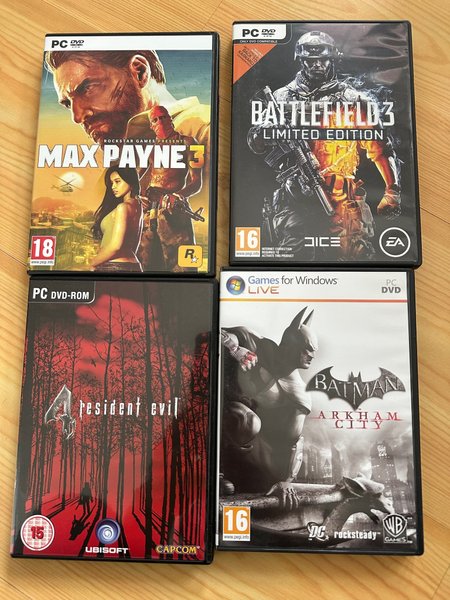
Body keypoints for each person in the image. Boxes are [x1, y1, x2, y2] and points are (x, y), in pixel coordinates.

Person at [248, 31, 401, 259]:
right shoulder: (280, 98)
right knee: (290, 259)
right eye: (310, 61)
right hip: (294, 195)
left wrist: (392, 191)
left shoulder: (353, 100)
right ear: (301, 60)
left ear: (332, 59)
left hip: (341, 198)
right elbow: (256, 144)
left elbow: (380, 148)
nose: (317, 65)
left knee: (353, 259)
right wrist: (264, 132)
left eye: (323, 60)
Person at [220, 307, 318, 499]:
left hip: (246, 439)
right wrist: (235, 349)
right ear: (290, 344)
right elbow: (216, 333)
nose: (311, 355)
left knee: (247, 421)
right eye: (306, 349)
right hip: (215, 401)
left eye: (313, 351)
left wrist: (286, 481)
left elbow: (292, 443)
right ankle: (216, 472)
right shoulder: (254, 342)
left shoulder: (300, 394)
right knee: (243, 418)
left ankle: (227, 474)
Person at [44, 49, 210, 151]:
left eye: (88, 89)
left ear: (139, 72)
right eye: (68, 104)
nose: (77, 117)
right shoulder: (122, 167)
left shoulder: (203, 130)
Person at [137, 105, 203, 272]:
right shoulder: (149, 147)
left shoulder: (190, 143)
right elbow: (134, 178)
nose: (160, 121)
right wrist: (137, 196)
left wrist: (177, 196)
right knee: (146, 265)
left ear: (170, 119)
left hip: (174, 209)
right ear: (151, 125)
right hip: (149, 211)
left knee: (183, 267)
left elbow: (197, 182)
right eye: (155, 119)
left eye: (163, 117)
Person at [90, 167, 143, 272]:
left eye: (117, 181)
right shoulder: (138, 206)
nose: (113, 186)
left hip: (114, 266)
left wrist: (93, 263)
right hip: (133, 265)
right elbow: (135, 245)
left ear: (130, 181)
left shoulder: (123, 207)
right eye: (111, 183)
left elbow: (116, 246)